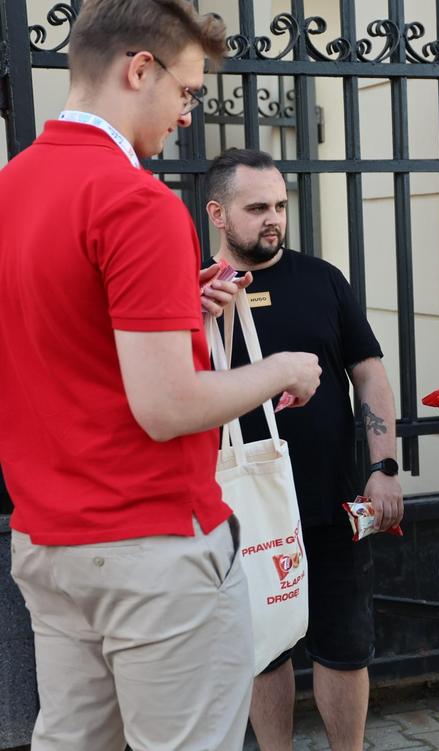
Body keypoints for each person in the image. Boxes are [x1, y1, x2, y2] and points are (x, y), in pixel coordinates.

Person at [0, 3, 321, 750]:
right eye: (187, 90)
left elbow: (56, 342)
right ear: (138, 68)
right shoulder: (134, 199)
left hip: (50, 541)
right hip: (154, 545)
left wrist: (180, 305)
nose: (188, 113)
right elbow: (167, 404)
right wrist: (281, 366)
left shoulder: (11, 188)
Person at [204, 148, 404, 751]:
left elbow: (369, 376)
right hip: (244, 509)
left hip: (332, 499)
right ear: (218, 212)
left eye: (281, 206)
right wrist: (196, 318)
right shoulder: (195, 292)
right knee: (265, 653)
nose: (274, 219)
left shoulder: (323, 280)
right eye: (257, 206)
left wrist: (384, 467)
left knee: (345, 649)